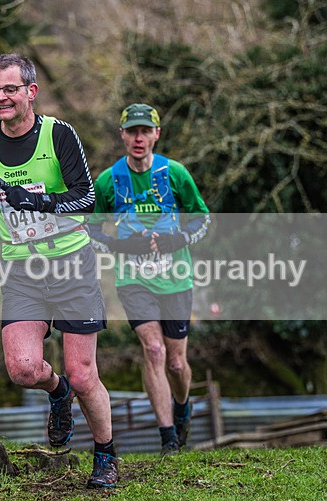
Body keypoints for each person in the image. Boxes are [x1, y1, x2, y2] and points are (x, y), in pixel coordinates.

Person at [0, 53, 117, 488]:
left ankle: (104, 456)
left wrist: (41, 201)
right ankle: (57, 392)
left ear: (31, 91)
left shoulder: (59, 134)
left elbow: (86, 199)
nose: (1, 97)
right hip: (22, 270)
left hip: (71, 263)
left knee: (85, 374)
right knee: (24, 369)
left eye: (10, 89)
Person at [90, 103, 210, 455]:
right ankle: (168, 437)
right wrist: (118, 243)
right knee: (153, 350)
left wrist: (179, 238)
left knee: (176, 362)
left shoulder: (175, 173)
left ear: (157, 134)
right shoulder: (109, 180)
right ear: (123, 135)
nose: (138, 137)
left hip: (176, 278)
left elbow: (201, 218)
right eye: (132, 131)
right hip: (133, 279)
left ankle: (183, 405)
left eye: (145, 131)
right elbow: (90, 229)